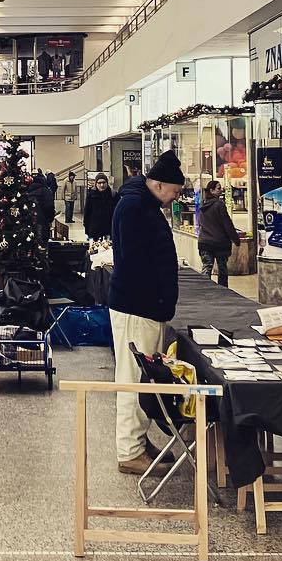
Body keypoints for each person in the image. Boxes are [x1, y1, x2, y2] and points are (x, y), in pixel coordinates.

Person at [107, 150, 186, 474]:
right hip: (138, 308)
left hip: (145, 307)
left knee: (143, 377)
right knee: (132, 379)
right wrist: (155, 299)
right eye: (175, 191)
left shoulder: (144, 204)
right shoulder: (134, 207)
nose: (176, 197)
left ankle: (139, 440)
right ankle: (129, 450)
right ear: (157, 184)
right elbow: (136, 261)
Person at [198, 179, 241, 286]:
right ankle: (223, 292)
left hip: (204, 242)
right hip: (219, 243)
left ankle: (203, 289)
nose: (221, 190)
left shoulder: (203, 205)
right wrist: (236, 239)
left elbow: (201, 223)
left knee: (207, 268)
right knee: (222, 269)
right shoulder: (219, 204)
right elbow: (227, 223)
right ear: (211, 190)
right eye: (218, 188)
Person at [83, 174, 117, 241]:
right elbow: (87, 211)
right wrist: (87, 228)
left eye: (104, 182)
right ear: (96, 183)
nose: (102, 185)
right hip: (95, 229)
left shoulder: (113, 194)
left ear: (107, 183)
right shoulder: (91, 194)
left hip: (109, 228)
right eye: (99, 183)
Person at [27, 172, 56, 237]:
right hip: (43, 223)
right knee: (43, 242)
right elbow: (49, 207)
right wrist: (50, 219)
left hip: (28, 224)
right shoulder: (45, 191)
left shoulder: (26, 191)